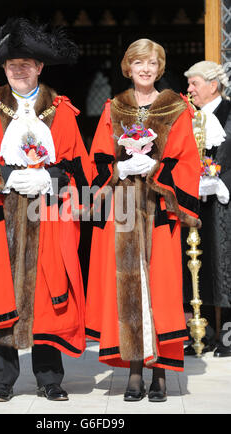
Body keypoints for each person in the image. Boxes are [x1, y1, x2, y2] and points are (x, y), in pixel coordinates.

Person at [0, 18, 91, 402]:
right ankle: (4, 381)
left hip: (47, 216)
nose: (18, 68)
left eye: (27, 62)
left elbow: (79, 167)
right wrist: (8, 177)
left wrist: (51, 179)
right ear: (4, 67)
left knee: (48, 295)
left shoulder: (61, 110)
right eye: (12, 63)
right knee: (2, 294)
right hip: (1, 215)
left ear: (40, 67)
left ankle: (49, 378)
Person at [85, 39, 201, 402]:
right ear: (128, 67)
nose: (145, 69)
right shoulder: (113, 107)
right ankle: (135, 369)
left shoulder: (176, 108)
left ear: (160, 67)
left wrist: (155, 169)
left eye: (152, 62)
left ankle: (161, 374)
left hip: (159, 213)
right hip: (123, 211)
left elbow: (188, 163)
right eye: (139, 63)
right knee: (127, 289)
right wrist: (119, 167)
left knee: (162, 290)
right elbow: (97, 160)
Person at [183, 61, 231, 358]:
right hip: (194, 200)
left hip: (225, 201)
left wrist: (223, 183)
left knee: (224, 263)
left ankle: (228, 332)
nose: (189, 89)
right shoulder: (190, 116)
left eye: (194, 84)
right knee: (196, 262)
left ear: (213, 85)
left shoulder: (229, 113)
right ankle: (203, 334)